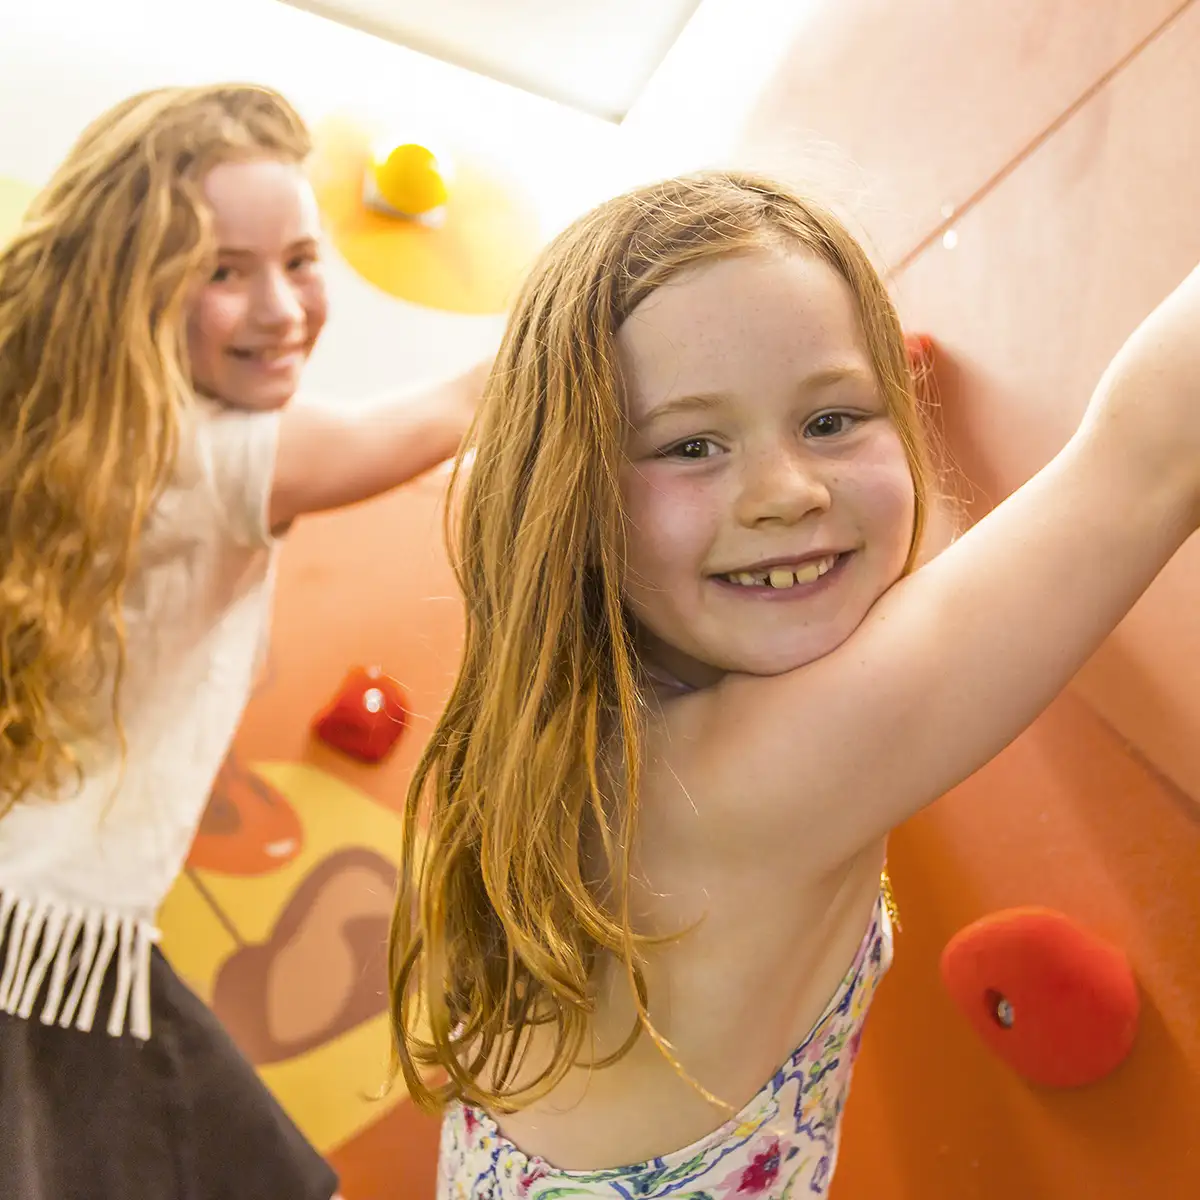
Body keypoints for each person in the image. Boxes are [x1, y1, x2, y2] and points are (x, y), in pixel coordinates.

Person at [389, 170, 1200, 1198]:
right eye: (691, 445)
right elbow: (1156, 454)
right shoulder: (739, 784)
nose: (786, 494)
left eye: (832, 421)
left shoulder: (585, 741)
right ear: (569, 495)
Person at [0, 83, 487, 1199]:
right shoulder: (199, 456)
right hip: (41, 938)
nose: (280, 308)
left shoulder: (96, 441)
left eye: (302, 260)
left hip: (57, 928)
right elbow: (451, 408)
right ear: (132, 286)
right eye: (224, 271)